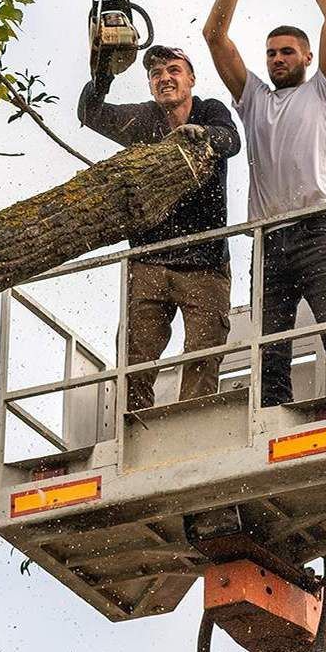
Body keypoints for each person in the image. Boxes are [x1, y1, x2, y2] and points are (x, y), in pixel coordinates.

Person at [201, 0, 326, 406]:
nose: (278, 59)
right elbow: (215, 38)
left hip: (317, 233)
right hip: (269, 242)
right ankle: (273, 429)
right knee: (269, 355)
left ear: (307, 57)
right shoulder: (254, 99)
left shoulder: (324, 92)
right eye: (272, 53)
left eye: (287, 52)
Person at [77, 44, 242, 411]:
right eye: (156, 74)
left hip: (205, 259)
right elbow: (90, 113)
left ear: (191, 78)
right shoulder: (143, 121)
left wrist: (203, 137)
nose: (165, 78)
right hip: (150, 259)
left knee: (204, 351)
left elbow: (231, 140)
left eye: (173, 70)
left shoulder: (209, 109)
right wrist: (103, 73)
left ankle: (191, 421)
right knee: (136, 357)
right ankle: (136, 425)